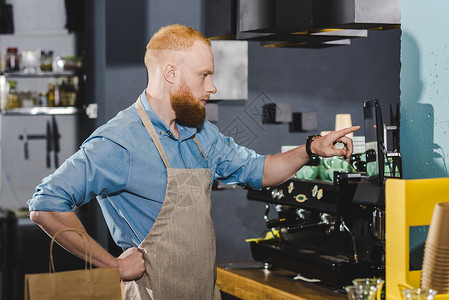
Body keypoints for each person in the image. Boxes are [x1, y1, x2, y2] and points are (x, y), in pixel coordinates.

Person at [28, 24, 359, 299]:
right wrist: (111, 265)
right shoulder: (118, 142)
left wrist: (311, 148)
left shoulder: (202, 134)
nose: (212, 87)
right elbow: (45, 205)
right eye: (205, 75)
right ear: (170, 72)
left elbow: (261, 171)